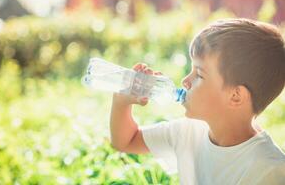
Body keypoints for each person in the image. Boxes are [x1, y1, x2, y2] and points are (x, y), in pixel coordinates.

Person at [109, 18, 285, 185]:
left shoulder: (269, 170)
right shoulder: (188, 131)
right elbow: (126, 141)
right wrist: (122, 101)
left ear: (236, 96)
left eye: (199, 74)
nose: (186, 81)